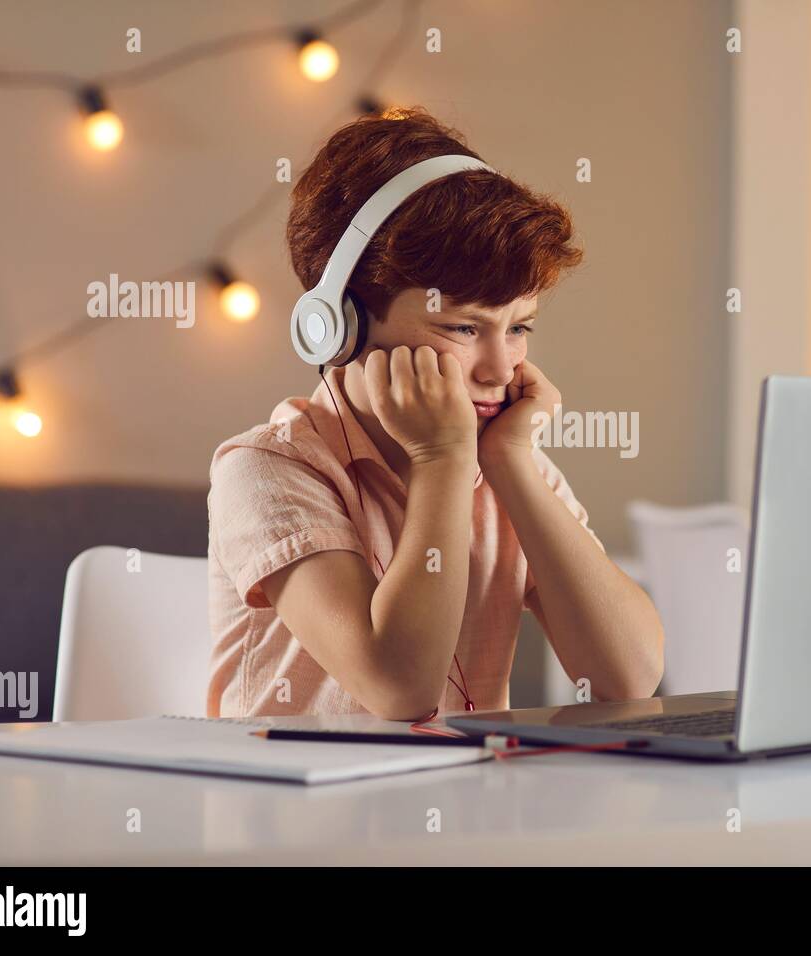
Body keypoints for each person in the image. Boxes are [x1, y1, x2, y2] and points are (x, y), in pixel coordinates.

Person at [206, 107, 663, 720]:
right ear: (340, 328)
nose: (500, 369)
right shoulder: (268, 470)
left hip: (464, 809)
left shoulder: (507, 462)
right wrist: (442, 459)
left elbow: (628, 678)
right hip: (301, 810)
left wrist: (513, 467)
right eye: (464, 327)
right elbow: (402, 691)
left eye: (519, 327)